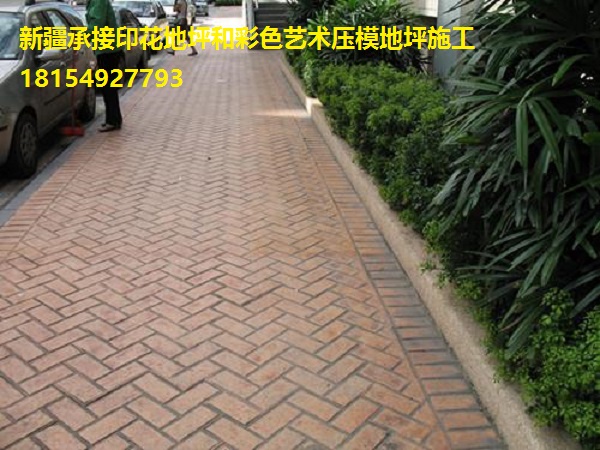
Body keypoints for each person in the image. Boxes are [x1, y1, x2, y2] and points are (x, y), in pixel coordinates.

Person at [86, 0, 124, 132]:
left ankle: (113, 120)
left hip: (108, 50)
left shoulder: (99, 1)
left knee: (108, 87)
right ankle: (113, 119)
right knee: (108, 87)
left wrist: (83, 37)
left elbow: (96, 24)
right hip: (106, 49)